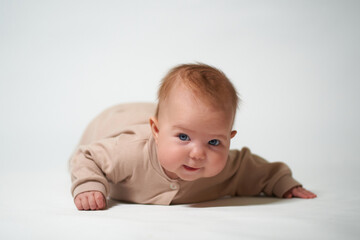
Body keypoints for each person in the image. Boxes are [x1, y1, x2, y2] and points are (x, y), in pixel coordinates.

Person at [69, 63, 316, 211]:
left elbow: (259, 171)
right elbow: (86, 157)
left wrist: (283, 183)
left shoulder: (230, 168)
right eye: (184, 137)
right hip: (113, 121)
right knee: (166, 116)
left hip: (161, 118)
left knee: (180, 116)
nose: (198, 153)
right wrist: (89, 185)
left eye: (214, 142)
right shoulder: (130, 152)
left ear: (229, 139)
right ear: (156, 131)